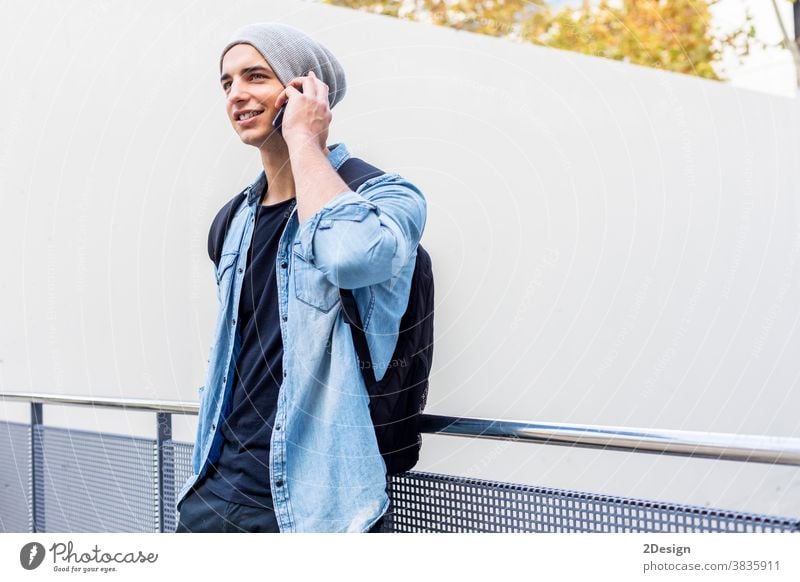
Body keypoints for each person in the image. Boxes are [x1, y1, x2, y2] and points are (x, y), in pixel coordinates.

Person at [174, 22, 427, 533]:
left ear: (303, 91)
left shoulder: (387, 198)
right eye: (227, 83)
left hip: (317, 511)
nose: (236, 94)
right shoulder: (234, 219)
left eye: (256, 77)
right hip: (215, 493)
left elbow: (351, 258)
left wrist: (304, 138)